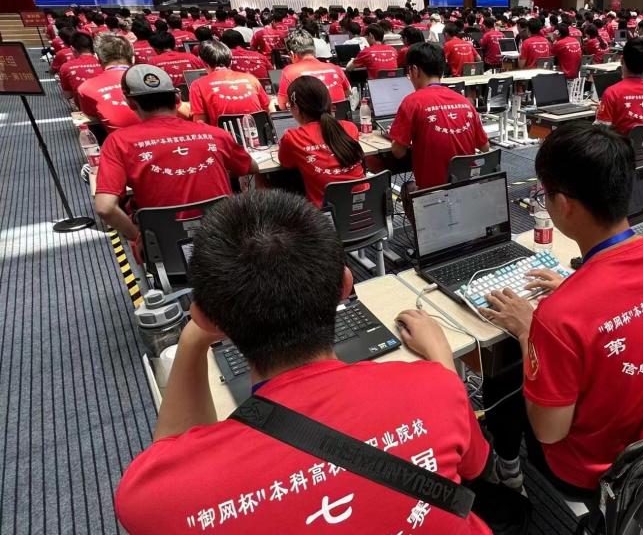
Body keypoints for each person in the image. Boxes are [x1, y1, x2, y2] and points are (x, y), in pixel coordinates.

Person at [114, 189, 494, 534]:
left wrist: (193, 337)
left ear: (206, 319)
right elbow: (474, 466)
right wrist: (441, 361)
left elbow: (173, 457)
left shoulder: (151, 500)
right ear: (345, 286)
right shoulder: (437, 387)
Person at [406, 123, 643, 494]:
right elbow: (633, 302)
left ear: (562, 205)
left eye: (543, 193)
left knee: (507, 368)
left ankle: (506, 468)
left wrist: (529, 331)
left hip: (599, 469)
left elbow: (549, 432)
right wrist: (578, 291)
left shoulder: (559, 317)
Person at [93, 65, 257, 243]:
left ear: (130, 102)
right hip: (225, 240)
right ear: (177, 98)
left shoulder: (118, 142)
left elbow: (105, 207)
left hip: (163, 245)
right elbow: (252, 167)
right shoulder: (216, 134)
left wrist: (139, 238)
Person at [388, 43, 489, 190]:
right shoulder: (465, 102)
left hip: (432, 194)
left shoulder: (412, 102)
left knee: (406, 188)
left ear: (414, 70)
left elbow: (398, 152)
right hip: (467, 189)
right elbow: (485, 147)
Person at [277, 76, 366, 207]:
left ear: (296, 108)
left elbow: (286, 163)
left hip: (324, 217)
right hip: (364, 207)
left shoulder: (292, 137)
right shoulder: (350, 127)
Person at [188, 40, 271, 126]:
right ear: (230, 62)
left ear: (203, 63)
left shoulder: (197, 85)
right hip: (257, 132)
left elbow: (200, 124)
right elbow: (269, 111)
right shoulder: (251, 79)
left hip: (222, 134)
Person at [595, 38, 643, 136]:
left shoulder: (612, 93)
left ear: (621, 60)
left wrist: (599, 112)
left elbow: (601, 130)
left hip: (620, 145)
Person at [77, 34, 142, 132]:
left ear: (97, 58)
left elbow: (92, 119)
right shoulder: (154, 77)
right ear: (132, 57)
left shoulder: (85, 87)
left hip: (117, 139)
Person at [278, 30, 351, 110]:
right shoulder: (336, 68)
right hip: (339, 116)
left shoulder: (289, 71)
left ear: (292, 54)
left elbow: (282, 105)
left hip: (311, 117)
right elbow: (347, 93)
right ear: (314, 50)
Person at [58, 31, 102, 103]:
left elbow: (68, 95)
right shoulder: (105, 62)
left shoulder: (65, 67)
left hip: (84, 107)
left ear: (72, 48)